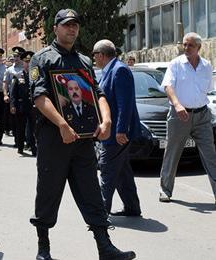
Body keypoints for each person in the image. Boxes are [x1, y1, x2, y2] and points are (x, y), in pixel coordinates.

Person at [29, 9, 136, 260]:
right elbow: (39, 98)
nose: (72, 29)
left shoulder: (84, 61)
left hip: (84, 141)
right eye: (66, 25)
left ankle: (105, 247)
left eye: (75, 25)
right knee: (48, 192)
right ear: (55, 28)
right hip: (54, 139)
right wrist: (62, 125)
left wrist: (107, 119)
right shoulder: (42, 59)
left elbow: (98, 94)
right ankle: (43, 248)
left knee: (91, 193)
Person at [158, 32, 216, 204]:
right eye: (184, 44)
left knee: (210, 155)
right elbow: (168, 86)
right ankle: (165, 190)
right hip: (179, 116)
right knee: (172, 153)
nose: (186, 48)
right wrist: (177, 104)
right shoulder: (176, 64)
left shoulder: (206, 66)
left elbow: (208, 89)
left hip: (202, 115)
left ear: (198, 47)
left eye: (190, 45)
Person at [93, 39, 142, 216]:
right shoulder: (110, 71)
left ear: (101, 55)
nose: (94, 59)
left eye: (94, 55)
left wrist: (121, 130)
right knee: (122, 171)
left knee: (106, 168)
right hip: (114, 131)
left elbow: (125, 104)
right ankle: (132, 207)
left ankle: (100, 214)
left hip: (116, 133)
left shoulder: (119, 70)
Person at [10, 51, 36, 155]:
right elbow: (13, 92)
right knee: (20, 128)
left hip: (33, 105)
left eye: (30, 61)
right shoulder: (18, 75)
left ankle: (34, 148)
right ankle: (20, 147)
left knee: (33, 128)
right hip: (21, 106)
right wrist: (12, 105)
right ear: (23, 63)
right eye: (26, 61)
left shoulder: (36, 75)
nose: (28, 64)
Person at [3, 46, 25, 142]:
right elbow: (5, 83)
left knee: (25, 120)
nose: (16, 58)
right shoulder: (9, 70)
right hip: (13, 97)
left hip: (24, 97)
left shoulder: (26, 68)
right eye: (15, 56)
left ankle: (26, 140)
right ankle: (17, 140)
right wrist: (5, 95)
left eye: (18, 56)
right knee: (15, 120)